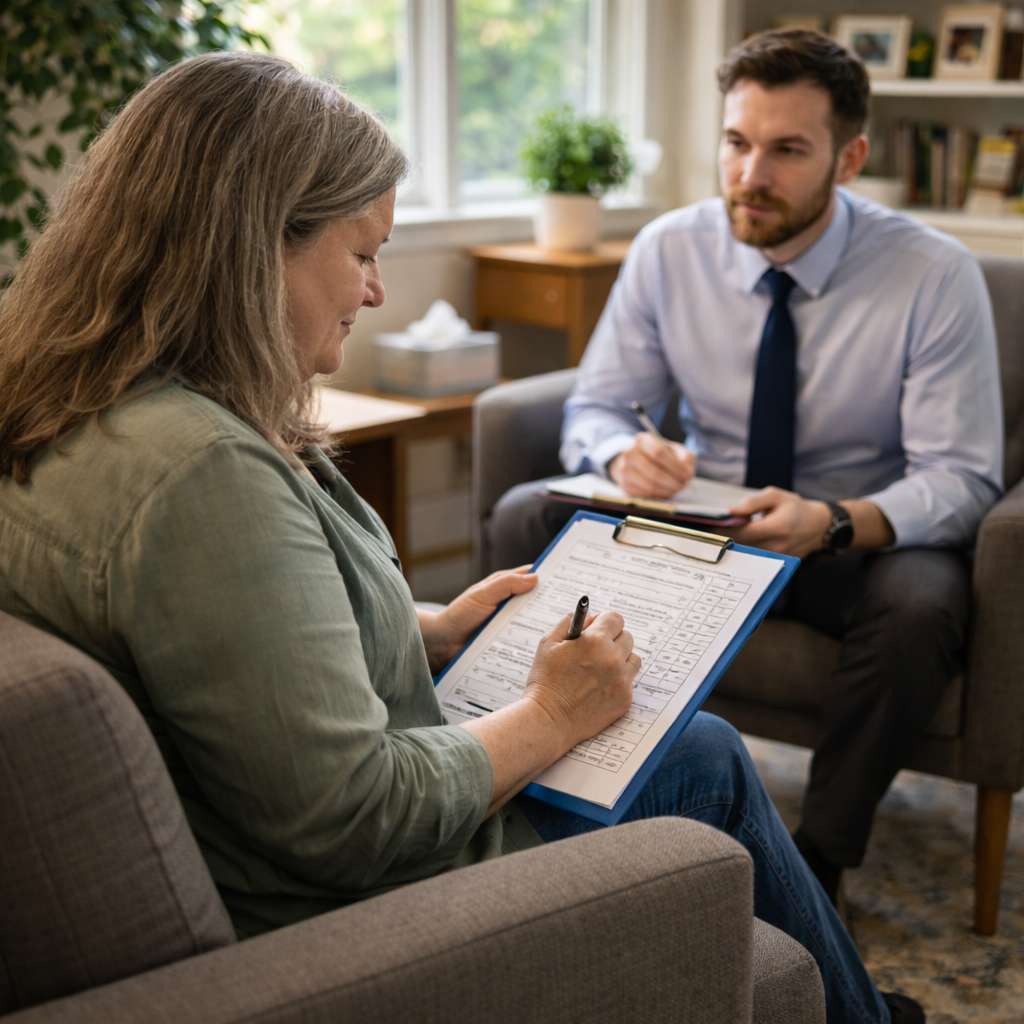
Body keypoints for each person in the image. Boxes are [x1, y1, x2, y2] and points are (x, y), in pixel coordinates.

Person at [0, 51, 918, 1024]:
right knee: (701, 752)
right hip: (352, 901)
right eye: (360, 253)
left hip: (264, 844)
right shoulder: (203, 474)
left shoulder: (79, 403)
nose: (377, 291)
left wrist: (421, 629)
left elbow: (208, 646)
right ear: (251, 247)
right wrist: (550, 717)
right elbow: (352, 818)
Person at [490, 27, 1003, 919]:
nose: (749, 174)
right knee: (521, 516)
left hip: (853, 538)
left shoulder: (933, 275)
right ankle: (541, 794)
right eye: (736, 142)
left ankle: (816, 865)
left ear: (849, 158)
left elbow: (960, 476)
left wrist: (835, 521)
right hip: (706, 522)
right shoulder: (667, 249)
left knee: (926, 603)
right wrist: (623, 452)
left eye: (786, 150)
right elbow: (598, 407)